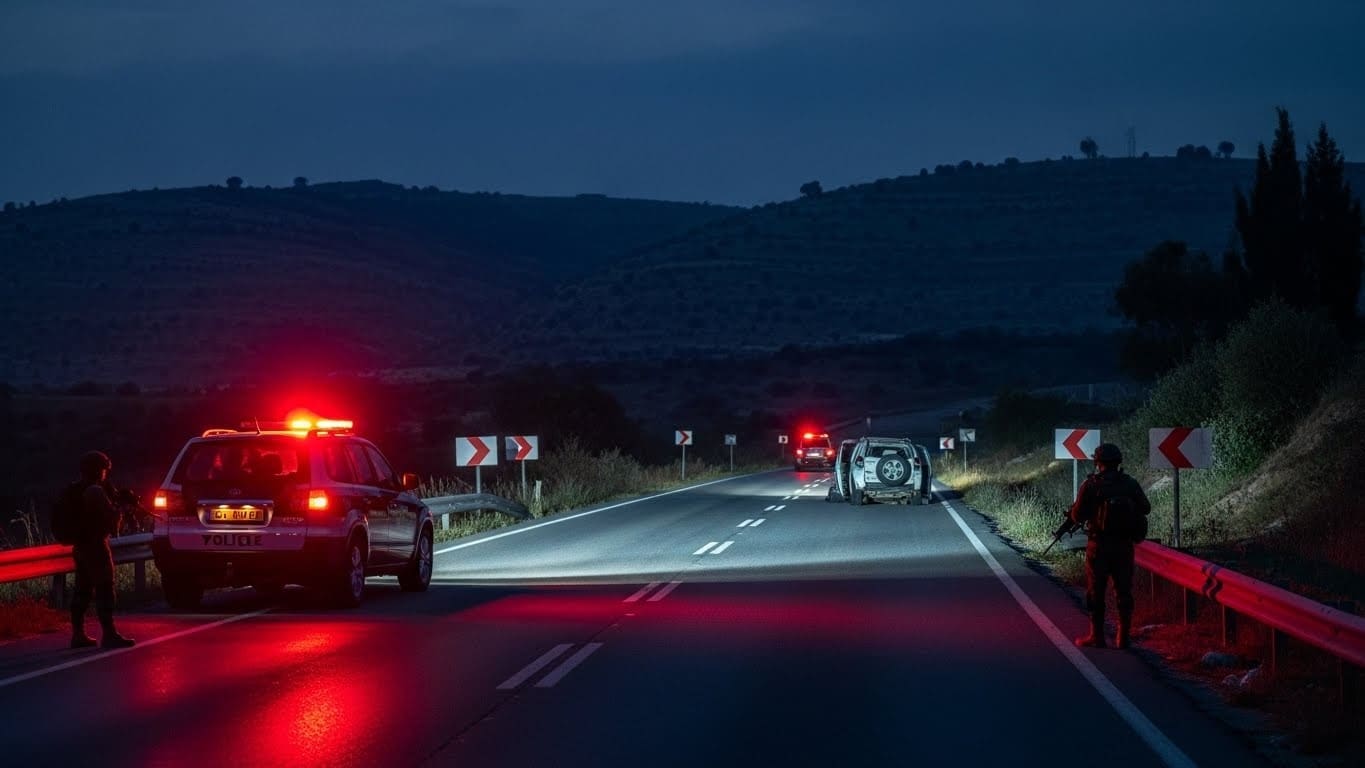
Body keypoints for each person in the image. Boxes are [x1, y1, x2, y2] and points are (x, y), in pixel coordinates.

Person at [1067, 442, 1150, 649]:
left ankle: (1097, 636)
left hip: (1099, 545)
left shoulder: (1092, 485)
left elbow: (1077, 515)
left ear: (1098, 462)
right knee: (1123, 591)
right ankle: (1123, 637)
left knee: (1096, 591)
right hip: (1123, 546)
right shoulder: (1129, 484)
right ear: (1118, 461)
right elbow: (1145, 508)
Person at [69, 450, 135, 650]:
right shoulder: (95, 491)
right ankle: (109, 633)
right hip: (96, 546)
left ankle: (78, 634)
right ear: (100, 470)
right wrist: (122, 508)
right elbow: (112, 522)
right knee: (105, 589)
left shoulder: (78, 489)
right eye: (105, 470)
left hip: (80, 546)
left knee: (83, 590)